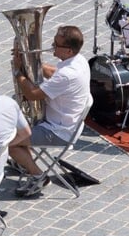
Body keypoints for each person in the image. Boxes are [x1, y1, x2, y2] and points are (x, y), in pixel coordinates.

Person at [8, 25, 91, 198]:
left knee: (9, 140)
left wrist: (18, 71)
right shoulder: (79, 60)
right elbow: (53, 72)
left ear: (68, 50)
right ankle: (25, 161)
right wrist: (27, 60)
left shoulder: (67, 74)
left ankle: (38, 176)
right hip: (66, 123)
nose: (52, 46)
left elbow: (32, 95)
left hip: (57, 131)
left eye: (56, 44)